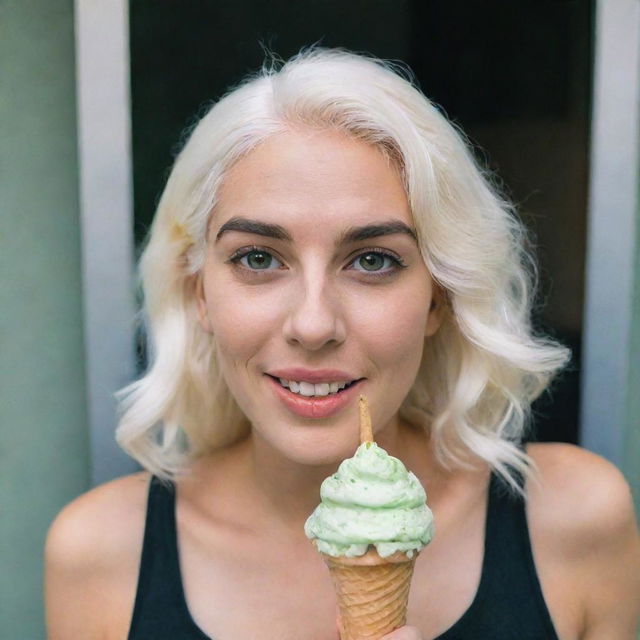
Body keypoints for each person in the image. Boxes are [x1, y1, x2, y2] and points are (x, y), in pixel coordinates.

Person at [45, 48, 640, 639]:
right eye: (258, 258)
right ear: (198, 289)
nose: (313, 323)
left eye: (373, 260)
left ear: (439, 297)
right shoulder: (98, 557)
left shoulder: (575, 522)